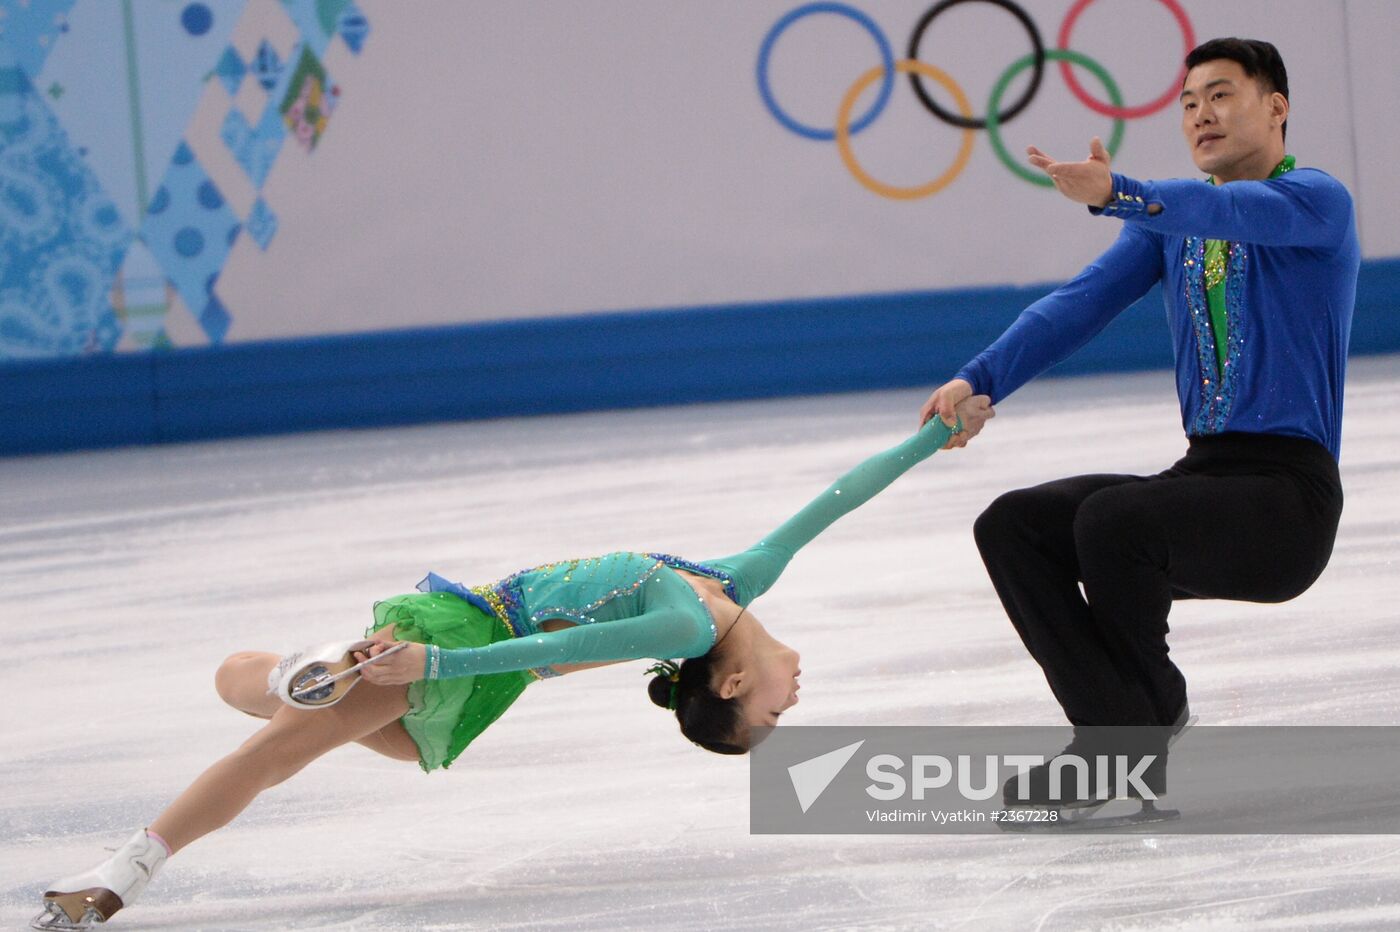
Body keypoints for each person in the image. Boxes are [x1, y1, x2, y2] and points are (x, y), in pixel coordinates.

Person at [32, 395, 993, 930]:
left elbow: (561, 648)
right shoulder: (728, 590)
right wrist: (934, 435)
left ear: (731, 685)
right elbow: (836, 501)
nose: (796, 700)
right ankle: (120, 875)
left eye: (776, 716)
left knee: (370, 739)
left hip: (482, 654)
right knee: (290, 752)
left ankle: (290, 669)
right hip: (466, 635)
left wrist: (434, 674)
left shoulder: (695, 627)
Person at [920, 38, 1358, 807]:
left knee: (1115, 522)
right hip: (1207, 478)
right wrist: (977, 378)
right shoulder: (1171, 227)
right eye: (1188, 104)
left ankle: (1133, 732)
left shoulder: (1315, 202)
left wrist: (1120, 190)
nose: (1200, 115)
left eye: (1220, 95)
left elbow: (1227, 207)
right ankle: (1117, 726)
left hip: (1287, 502)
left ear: (1276, 108)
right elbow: (1078, 304)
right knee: (1015, 526)